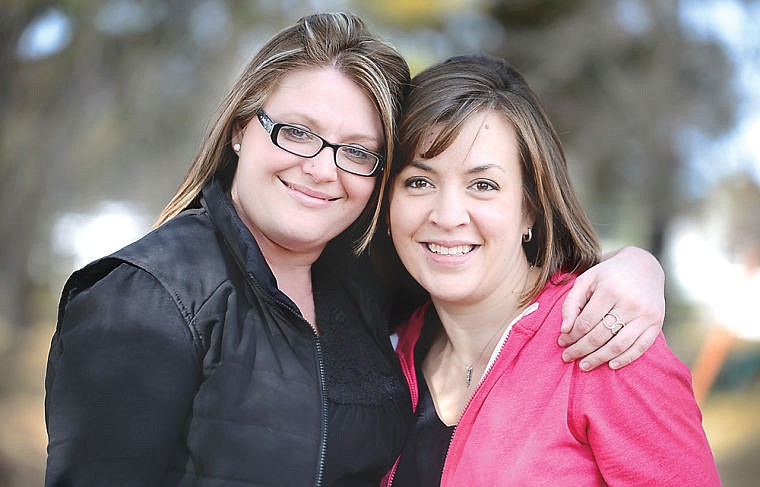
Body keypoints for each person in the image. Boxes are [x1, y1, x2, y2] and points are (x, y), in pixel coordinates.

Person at [44, 13, 665, 487]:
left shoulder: (365, 285)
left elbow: (488, 266)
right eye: (297, 132)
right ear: (239, 127)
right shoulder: (144, 300)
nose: (321, 169)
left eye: (358, 151)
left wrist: (634, 267)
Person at [381, 54, 720, 486]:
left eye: (482, 185)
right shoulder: (391, 349)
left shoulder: (605, 343)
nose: (447, 215)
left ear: (531, 209)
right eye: (419, 182)